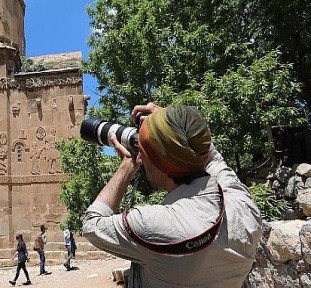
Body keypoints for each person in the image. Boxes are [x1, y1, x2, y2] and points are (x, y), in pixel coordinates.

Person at [82, 103, 263, 287]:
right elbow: (212, 158)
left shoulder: (150, 224)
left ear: (158, 161)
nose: (141, 159)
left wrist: (126, 168)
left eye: (143, 152)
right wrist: (177, 124)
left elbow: (92, 225)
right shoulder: (243, 205)